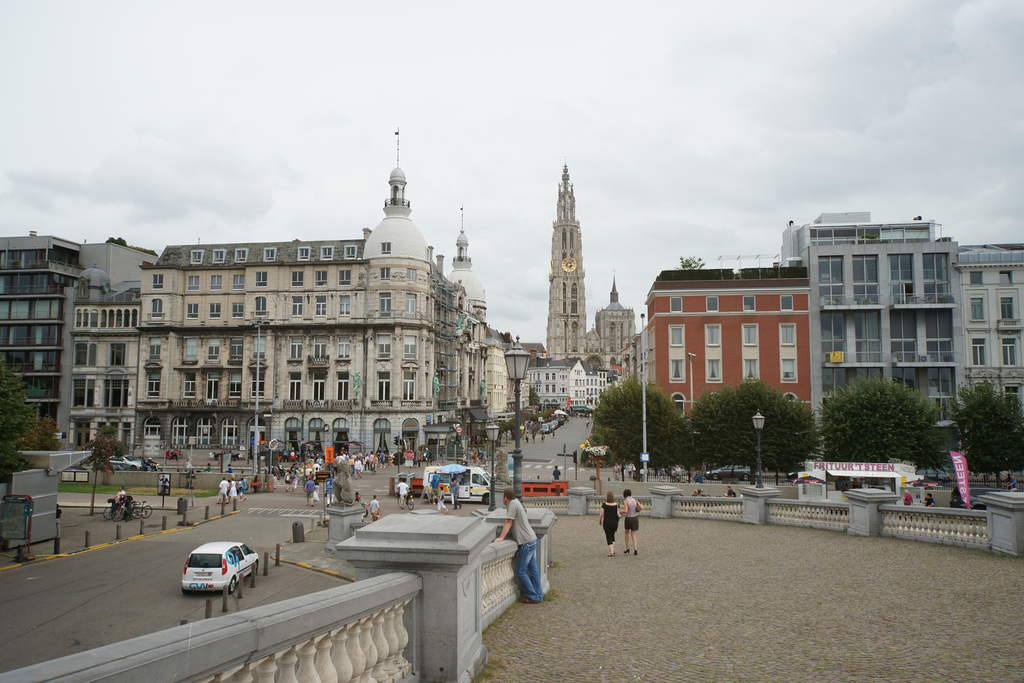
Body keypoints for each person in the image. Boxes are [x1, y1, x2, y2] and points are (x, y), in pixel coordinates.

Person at [493, 487, 542, 604]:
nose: (503, 499)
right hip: (532, 539)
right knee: (534, 571)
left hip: (526, 543)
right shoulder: (517, 503)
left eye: (503, 497)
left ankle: (533, 596)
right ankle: (539, 596)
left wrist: (501, 537)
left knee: (520, 571)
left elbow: (509, 521)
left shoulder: (512, 505)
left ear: (505, 498)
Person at [597, 491, 620, 556]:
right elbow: (619, 513)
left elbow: (601, 514)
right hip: (615, 522)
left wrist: (600, 520)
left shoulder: (604, 505)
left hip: (607, 522)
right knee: (612, 535)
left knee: (608, 536)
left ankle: (611, 551)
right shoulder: (617, 505)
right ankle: (613, 549)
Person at [622, 488, 642, 556]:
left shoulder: (626, 501)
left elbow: (626, 511)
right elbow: (642, 507)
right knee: (633, 533)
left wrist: (620, 511)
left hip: (628, 518)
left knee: (626, 532)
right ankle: (635, 548)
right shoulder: (635, 500)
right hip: (635, 518)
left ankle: (627, 547)